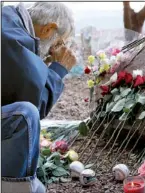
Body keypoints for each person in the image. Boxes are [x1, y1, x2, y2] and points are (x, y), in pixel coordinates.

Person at [1, 2, 76, 193]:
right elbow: (36, 103)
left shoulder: (9, 24)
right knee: (25, 115)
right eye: (58, 43)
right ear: (48, 29)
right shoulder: (11, 38)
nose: (54, 50)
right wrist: (58, 69)